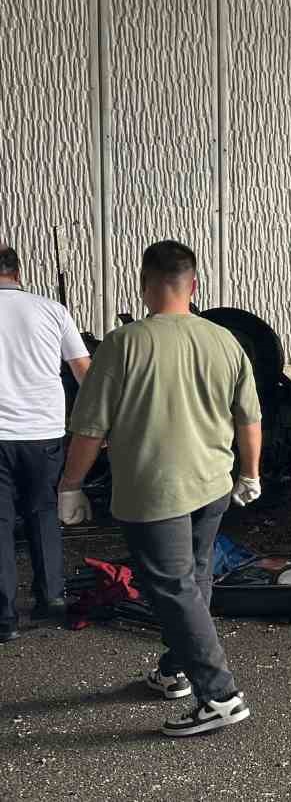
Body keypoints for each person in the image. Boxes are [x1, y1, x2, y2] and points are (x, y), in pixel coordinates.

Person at [58, 240, 263, 737]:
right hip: (213, 483)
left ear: (146, 285)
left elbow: (90, 428)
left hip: (155, 491)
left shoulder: (124, 343)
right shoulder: (224, 340)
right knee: (194, 579)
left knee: (173, 587)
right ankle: (176, 671)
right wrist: (250, 474)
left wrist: (70, 486)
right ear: (193, 285)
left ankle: (221, 696)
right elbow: (249, 419)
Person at [0, 244, 91, 643]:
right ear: (18, 271)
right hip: (45, 432)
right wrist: (97, 427)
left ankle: (4, 619)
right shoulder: (52, 309)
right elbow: (83, 371)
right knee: (42, 511)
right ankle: (50, 598)